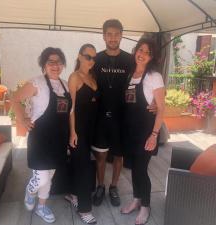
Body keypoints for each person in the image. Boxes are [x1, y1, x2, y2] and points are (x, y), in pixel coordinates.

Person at [11, 47, 71, 224]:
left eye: (58, 61)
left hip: (60, 138)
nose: (55, 65)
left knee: (50, 176)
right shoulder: (36, 83)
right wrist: (22, 119)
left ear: (63, 65)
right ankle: (30, 192)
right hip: (40, 138)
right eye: (50, 62)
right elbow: (14, 98)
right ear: (44, 65)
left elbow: (70, 113)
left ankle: (41, 206)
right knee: (41, 177)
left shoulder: (66, 85)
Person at [120, 38, 165, 225]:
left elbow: (161, 108)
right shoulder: (131, 73)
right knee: (133, 168)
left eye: (147, 52)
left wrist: (154, 135)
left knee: (141, 170)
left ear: (152, 57)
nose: (142, 54)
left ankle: (145, 206)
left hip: (146, 133)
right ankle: (136, 200)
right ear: (135, 51)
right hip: (130, 131)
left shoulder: (154, 76)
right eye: (140, 50)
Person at [91, 19, 132, 207]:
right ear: (104, 36)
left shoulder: (130, 60)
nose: (113, 38)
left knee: (119, 155)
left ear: (121, 35)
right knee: (100, 155)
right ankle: (100, 186)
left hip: (122, 117)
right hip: (99, 116)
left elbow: (141, 84)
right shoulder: (96, 59)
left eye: (116, 34)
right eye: (109, 34)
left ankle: (113, 187)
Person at [65, 44, 98, 224]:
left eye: (94, 58)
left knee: (80, 165)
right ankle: (84, 209)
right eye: (88, 57)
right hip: (79, 131)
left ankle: (72, 194)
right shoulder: (74, 77)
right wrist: (72, 133)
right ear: (79, 56)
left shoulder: (92, 77)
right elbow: (71, 109)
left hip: (93, 129)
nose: (91, 61)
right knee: (85, 169)